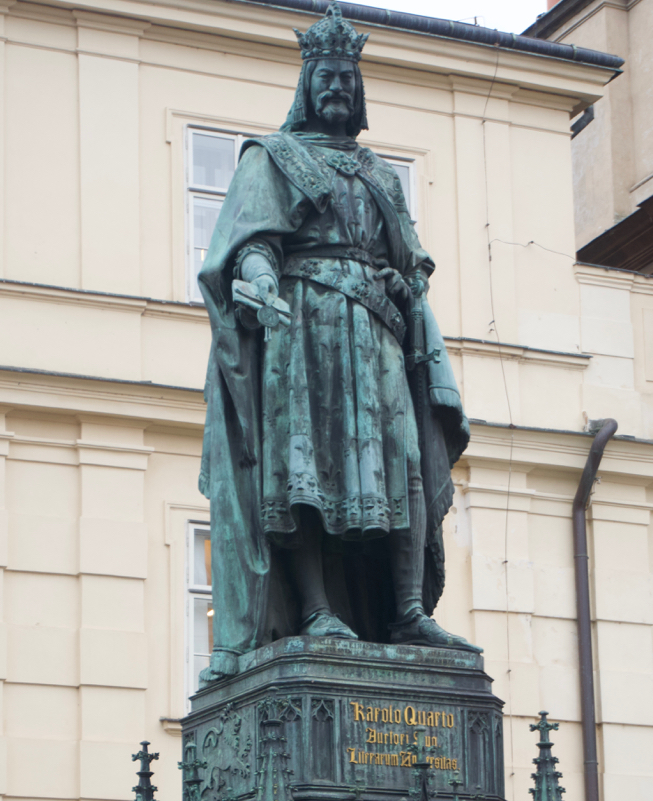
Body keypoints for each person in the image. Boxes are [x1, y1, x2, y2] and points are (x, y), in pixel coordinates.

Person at [197, 2, 473, 682]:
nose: (337, 89)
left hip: (377, 332)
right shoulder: (274, 156)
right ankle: (318, 609)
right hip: (305, 331)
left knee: (402, 461)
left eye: (347, 80)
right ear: (306, 85)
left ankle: (406, 608)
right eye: (325, 77)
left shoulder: (379, 172)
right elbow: (250, 244)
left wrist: (408, 286)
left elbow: (412, 258)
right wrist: (258, 279)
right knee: (307, 471)